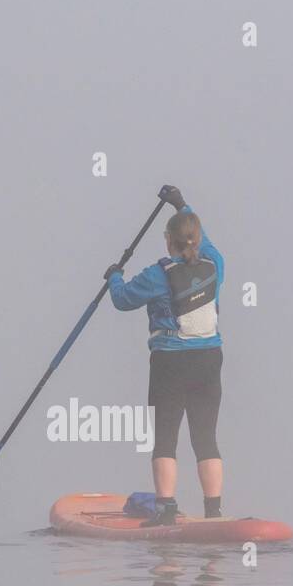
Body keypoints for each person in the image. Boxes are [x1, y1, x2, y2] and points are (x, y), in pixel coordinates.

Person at [105, 185, 225, 526]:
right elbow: (206, 237)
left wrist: (114, 275)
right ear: (197, 241)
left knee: (166, 437)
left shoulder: (158, 275)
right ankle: (214, 511)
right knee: (206, 437)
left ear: (168, 242)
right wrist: (182, 204)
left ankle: (166, 509)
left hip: (170, 363)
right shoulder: (215, 263)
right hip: (209, 361)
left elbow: (123, 299)